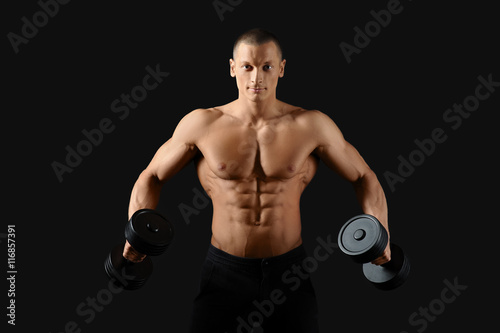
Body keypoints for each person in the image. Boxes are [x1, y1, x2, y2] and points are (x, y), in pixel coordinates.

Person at [123, 28, 391, 332]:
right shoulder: (202, 123)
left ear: (281, 68)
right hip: (223, 273)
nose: (256, 78)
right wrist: (135, 235)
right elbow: (152, 176)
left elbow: (363, 176)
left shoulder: (311, 125)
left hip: (290, 272)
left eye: (266, 66)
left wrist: (380, 234)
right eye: (248, 66)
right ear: (232, 68)